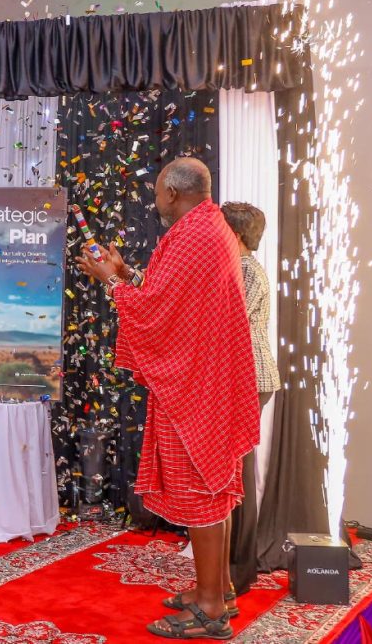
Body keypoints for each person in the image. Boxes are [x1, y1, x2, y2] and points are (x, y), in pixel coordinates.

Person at [76, 157, 260, 640]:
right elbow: (170, 297)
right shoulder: (210, 228)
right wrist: (126, 272)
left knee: (202, 493)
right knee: (215, 491)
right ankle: (218, 590)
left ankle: (211, 610)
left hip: (196, 388)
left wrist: (110, 280)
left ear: (173, 193)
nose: (155, 199)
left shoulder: (193, 235)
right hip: (210, 380)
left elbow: (159, 313)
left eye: (158, 191)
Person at [220, 202, 281, 596]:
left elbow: (225, 320)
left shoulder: (244, 270)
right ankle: (230, 568)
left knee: (236, 473)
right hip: (247, 377)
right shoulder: (242, 268)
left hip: (248, 377)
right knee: (235, 470)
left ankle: (236, 572)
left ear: (237, 235)